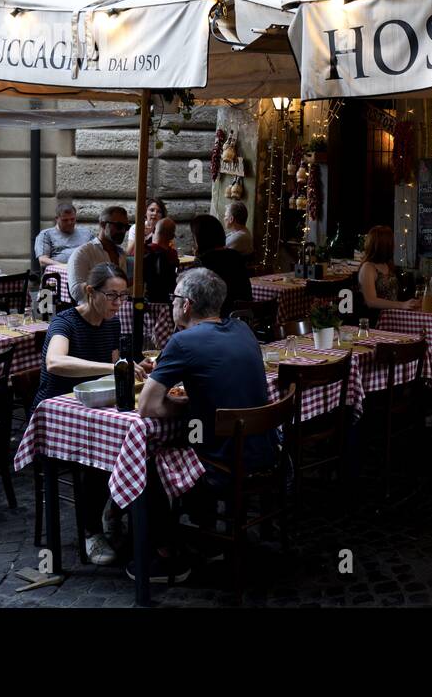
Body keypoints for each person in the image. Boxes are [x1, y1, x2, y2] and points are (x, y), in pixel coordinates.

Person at [135, 268, 273, 582]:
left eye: (174, 298)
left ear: (187, 305)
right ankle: (208, 538)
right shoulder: (243, 329)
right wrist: (192, 402)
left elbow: (147, 406)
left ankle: (165, 556)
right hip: (264, 452)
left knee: (148, 461)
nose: (170, 304)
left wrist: (177, 405)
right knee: (194, 443)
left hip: (223, 465)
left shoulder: (183, 341)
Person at [32, 262, 147, 567]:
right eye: (112, 296)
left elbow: (113, 368)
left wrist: (136, 373)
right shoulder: (64, 322)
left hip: (95, 407)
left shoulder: (111, 324)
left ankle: (113, 513)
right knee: (96, 460)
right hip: (57, 415)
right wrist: (114, 367)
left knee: (137, 447)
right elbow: (55, 362)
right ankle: (91, 532)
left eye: (122, 297)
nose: (118, 304)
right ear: (89, 291)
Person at [189, 214, 251, 314]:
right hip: (241, 320)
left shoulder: (203, 262)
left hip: (216, 322)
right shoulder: (236, 256)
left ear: (200, 238)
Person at [67, 206, 130, 304]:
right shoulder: (83, 252)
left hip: (118, 312)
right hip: (92, 314)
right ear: (103, 224)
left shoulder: (122, 255)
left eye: (126, 227)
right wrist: (104, 281)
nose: (123, 231)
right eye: (119, 226)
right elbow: (76, 293)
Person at [356, 225, 420, 314]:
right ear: (384, 245)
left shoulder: (387, 264)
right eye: (392, 242)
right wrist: (402, 305)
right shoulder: (368, 267)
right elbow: (371, 301)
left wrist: (410, 303)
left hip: (394, 316)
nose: (394, 245)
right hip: (376, 319)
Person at [35, 202, 91, 269]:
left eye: (72, 219)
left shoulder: (87, 233)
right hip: (59, 273)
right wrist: (65, 266)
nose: (69, 223)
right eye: (65, 220)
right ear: (57, 219)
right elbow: (43, 260)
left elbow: (98, 253)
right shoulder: (46, 234)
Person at [143, 217, 179, 303]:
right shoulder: (173, 254)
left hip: (148, 300)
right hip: (169, 299)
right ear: (172, 236)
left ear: (154, 230)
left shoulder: (145, 251)